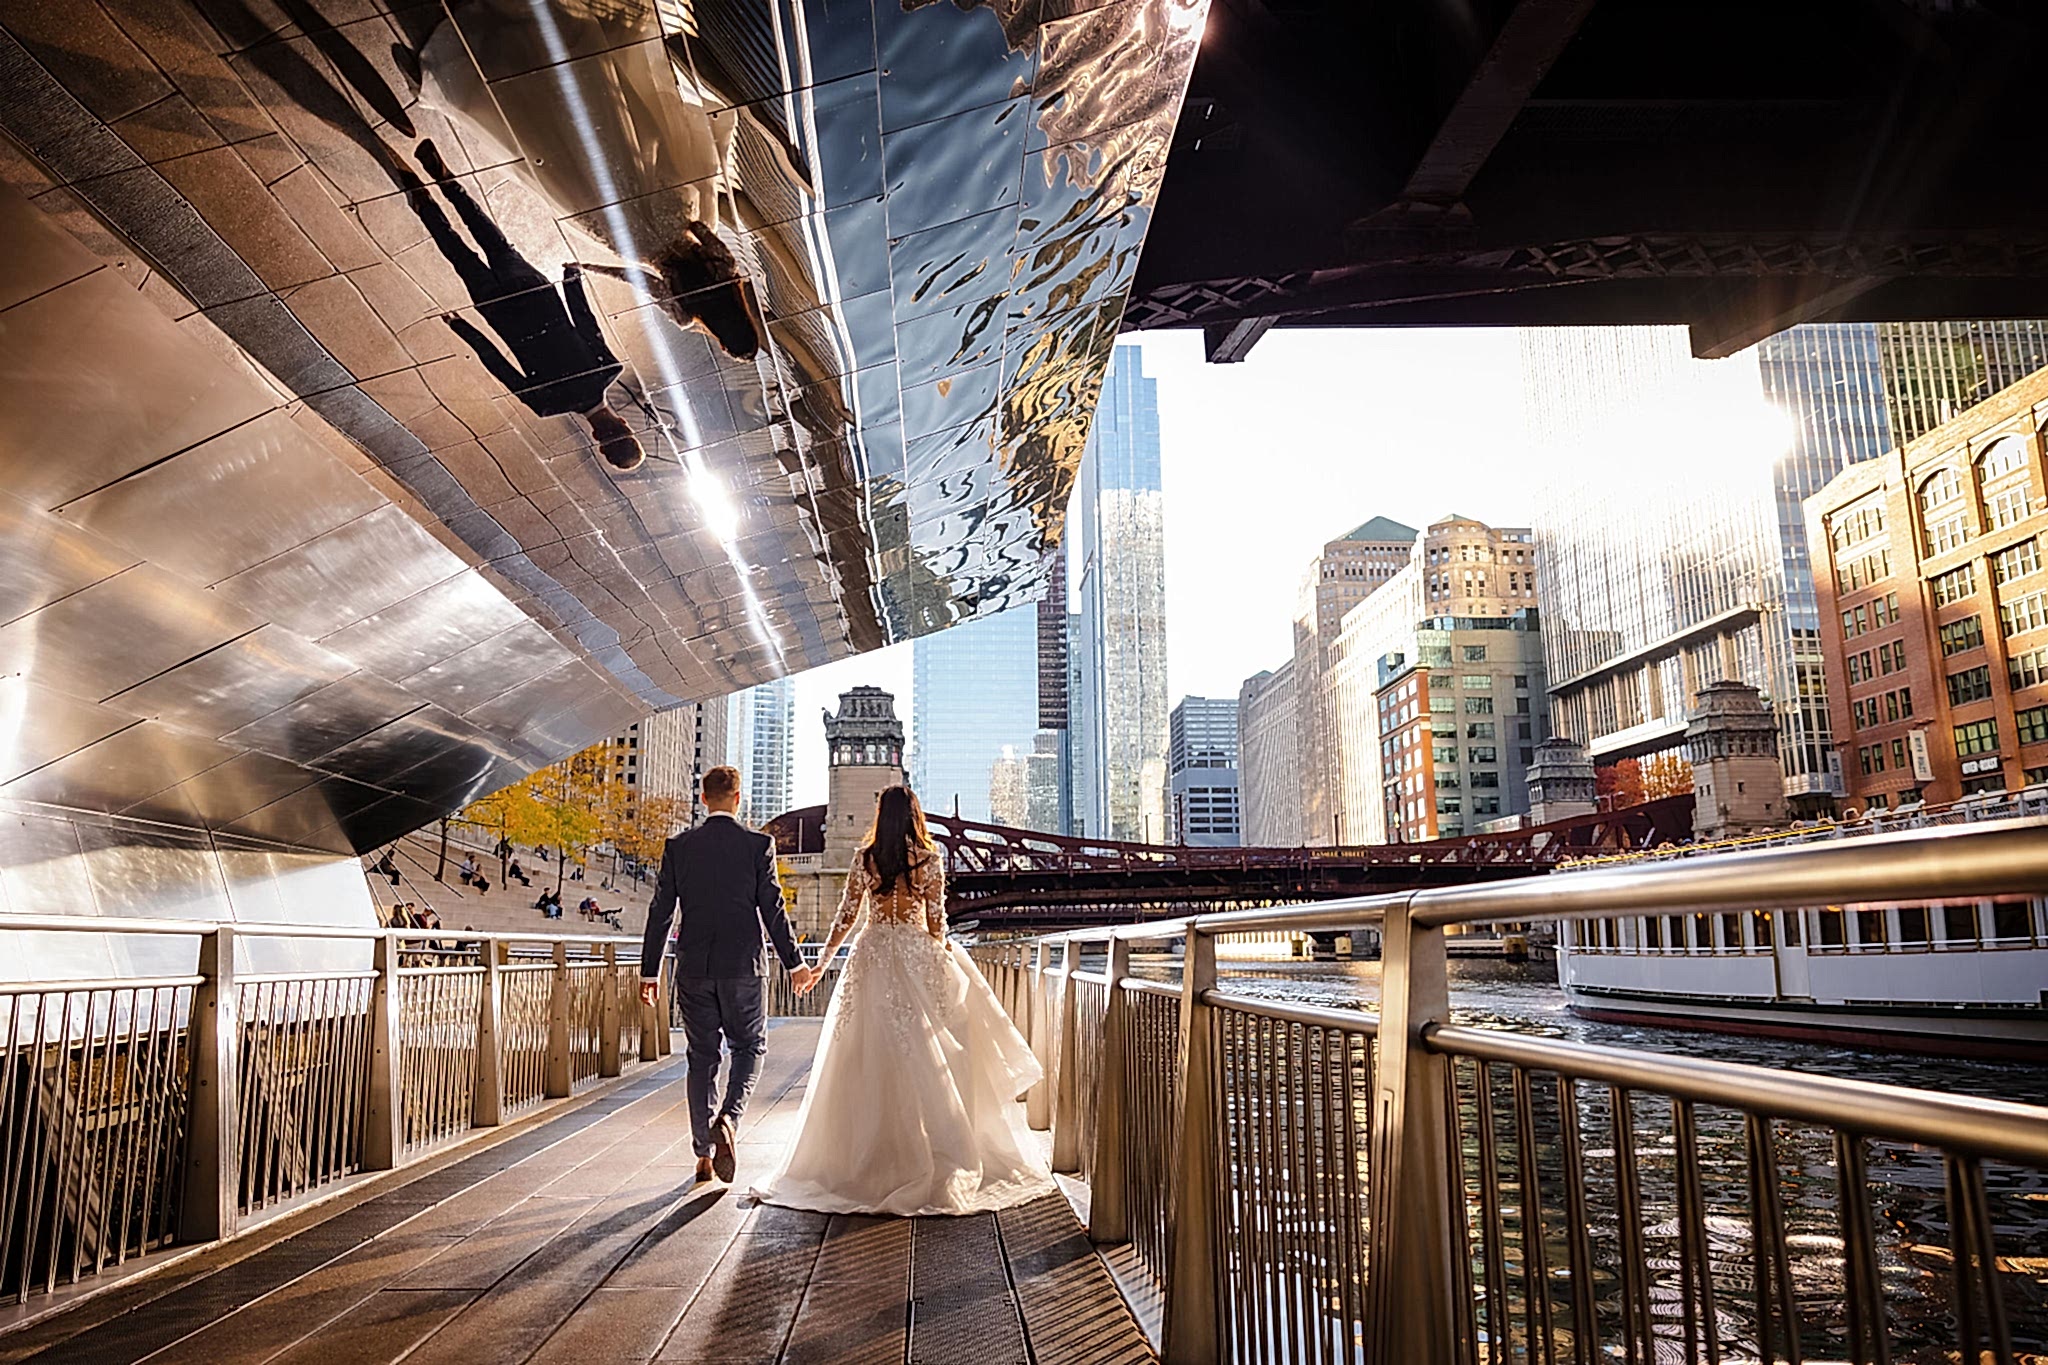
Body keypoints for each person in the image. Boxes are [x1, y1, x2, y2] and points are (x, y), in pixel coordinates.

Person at [752, 785, 1053, 1216]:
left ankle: (869, 1156)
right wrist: (944, 952)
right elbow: (935, 923)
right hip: (916, 956)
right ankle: (935, 1147)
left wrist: (821, 964)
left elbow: (846, 917)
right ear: (914, 815)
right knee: (932, 1053)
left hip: (871, 955)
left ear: (880, 816)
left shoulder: (865, 858)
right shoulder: (929, 860)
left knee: (864, 1054)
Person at [396, 141, 644, 471]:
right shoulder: (545, 405)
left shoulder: (608, 370)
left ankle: (446, 179)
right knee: (457, 253)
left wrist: (572, 278)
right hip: (500, 311)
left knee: (492, 239)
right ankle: (423, 201)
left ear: (627, 425)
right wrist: (462, 327)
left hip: (536, 295)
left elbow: (586, 322)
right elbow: (496, 363)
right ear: (599, 445)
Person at [639, 764, 803, 1185]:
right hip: (744, 967)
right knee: (750, 1046)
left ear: (703, 799)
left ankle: (703, 1155)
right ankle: (729, 1118)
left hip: (693, 967)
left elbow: (660, 913)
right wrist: (795, 963)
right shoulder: (757, 845)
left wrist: (649, 972)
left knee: (701, 1058)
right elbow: (772, 909)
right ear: (737, 798)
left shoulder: (679, 846)